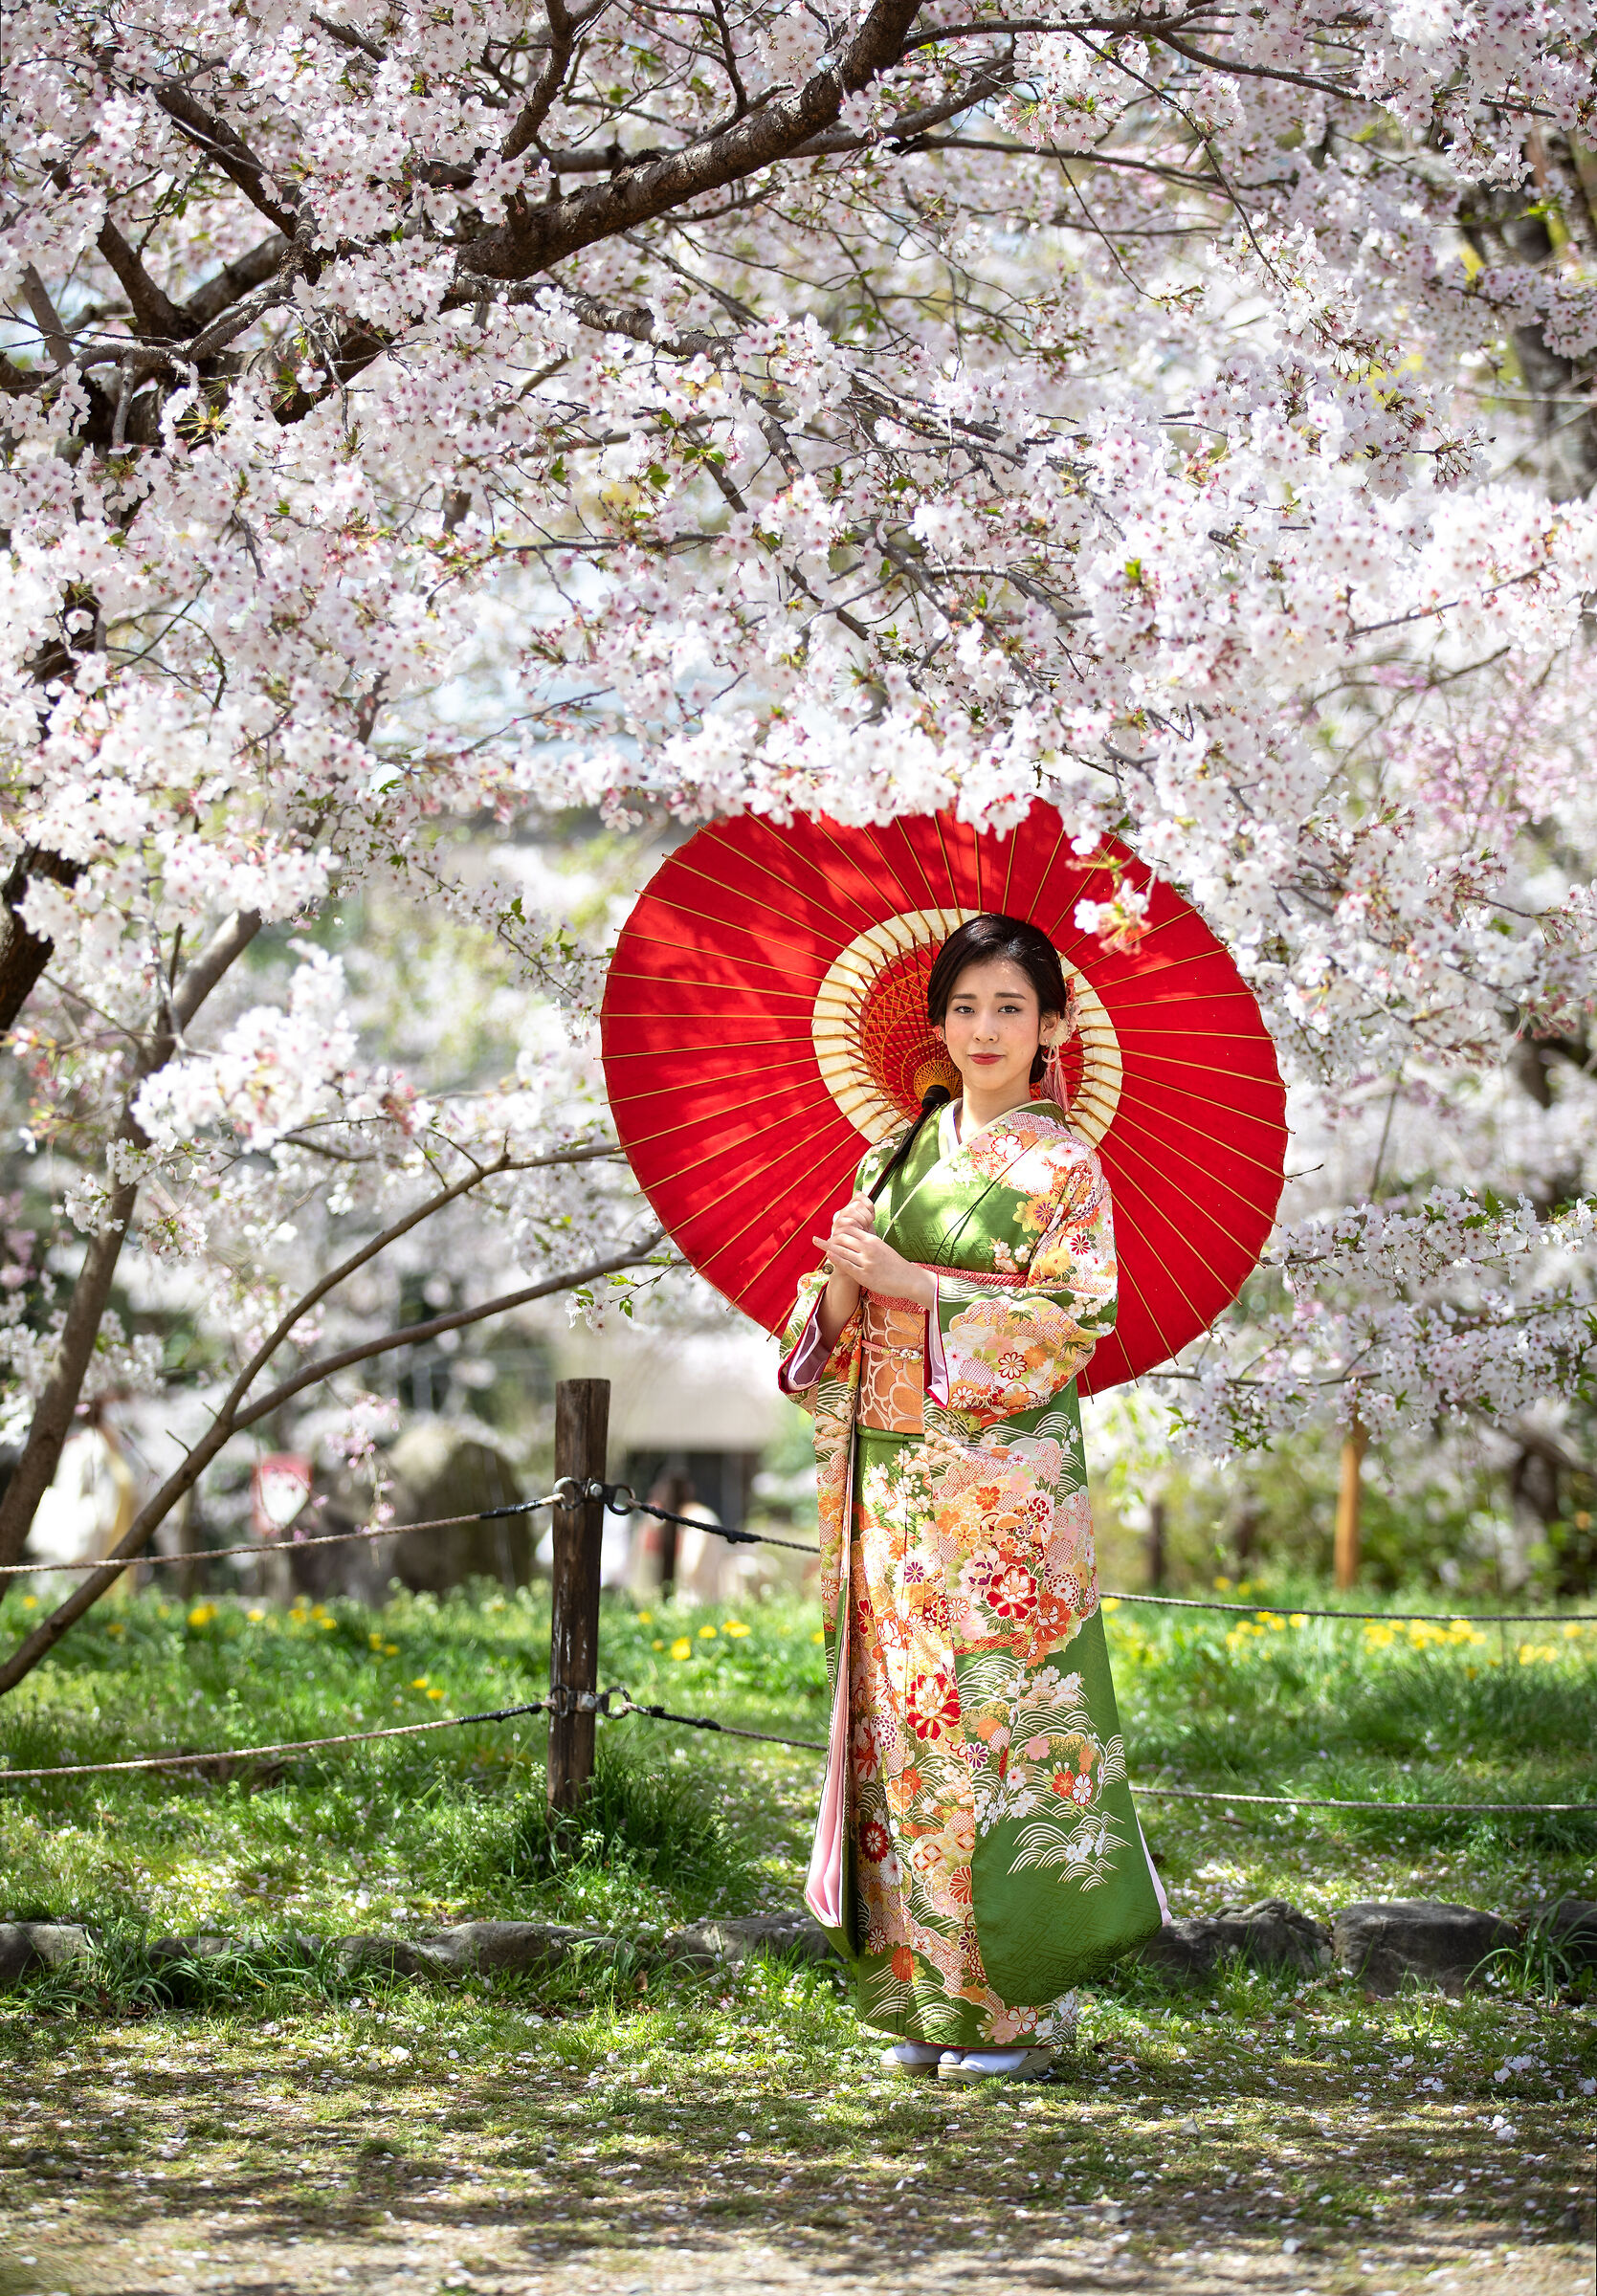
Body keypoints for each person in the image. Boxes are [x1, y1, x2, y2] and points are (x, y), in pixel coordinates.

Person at [778, 914, 1165, 2084]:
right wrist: (843, 1298)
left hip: (998, 1506)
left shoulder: (1063, 1168)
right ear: (935, 1027)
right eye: (964, 1009)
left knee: (993, 1734)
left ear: (1052, 1030)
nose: (984, 1030)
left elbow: (1069, 1320)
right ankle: (918, 1998)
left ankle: (1005, 2010)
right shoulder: (893, 1155)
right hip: (892, 1496)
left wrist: (919, 1287)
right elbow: (826, 1334)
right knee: (905, 1738)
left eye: (1009, 1008)